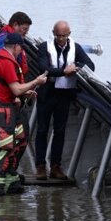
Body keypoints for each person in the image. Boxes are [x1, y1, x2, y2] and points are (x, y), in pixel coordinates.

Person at [0, 32, 48, 196]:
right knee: (4, 149)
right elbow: (15, 89)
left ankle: (11, 181)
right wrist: (36, 82)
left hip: (8, 109)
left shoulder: (5, 59)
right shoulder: (5, 62)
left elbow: (12, 89)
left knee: (18, 142)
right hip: (2, 112)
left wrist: (27, 93)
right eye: (22, 48)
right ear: (16, 46)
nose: (22, 52)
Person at [33, 21, 95, 181]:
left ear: (69, 34)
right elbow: (44, 69)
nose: (61, 39)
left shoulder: (75, 47)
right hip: (47, 93)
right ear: (53, 33)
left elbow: (90, 65)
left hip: (64, 94)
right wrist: (63, 71)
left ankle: (55, 166)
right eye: (58, 36)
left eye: (64, 36)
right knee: (42, 130)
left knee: (60, 131)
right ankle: (40, 166)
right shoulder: (43, 47)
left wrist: (76, 67)